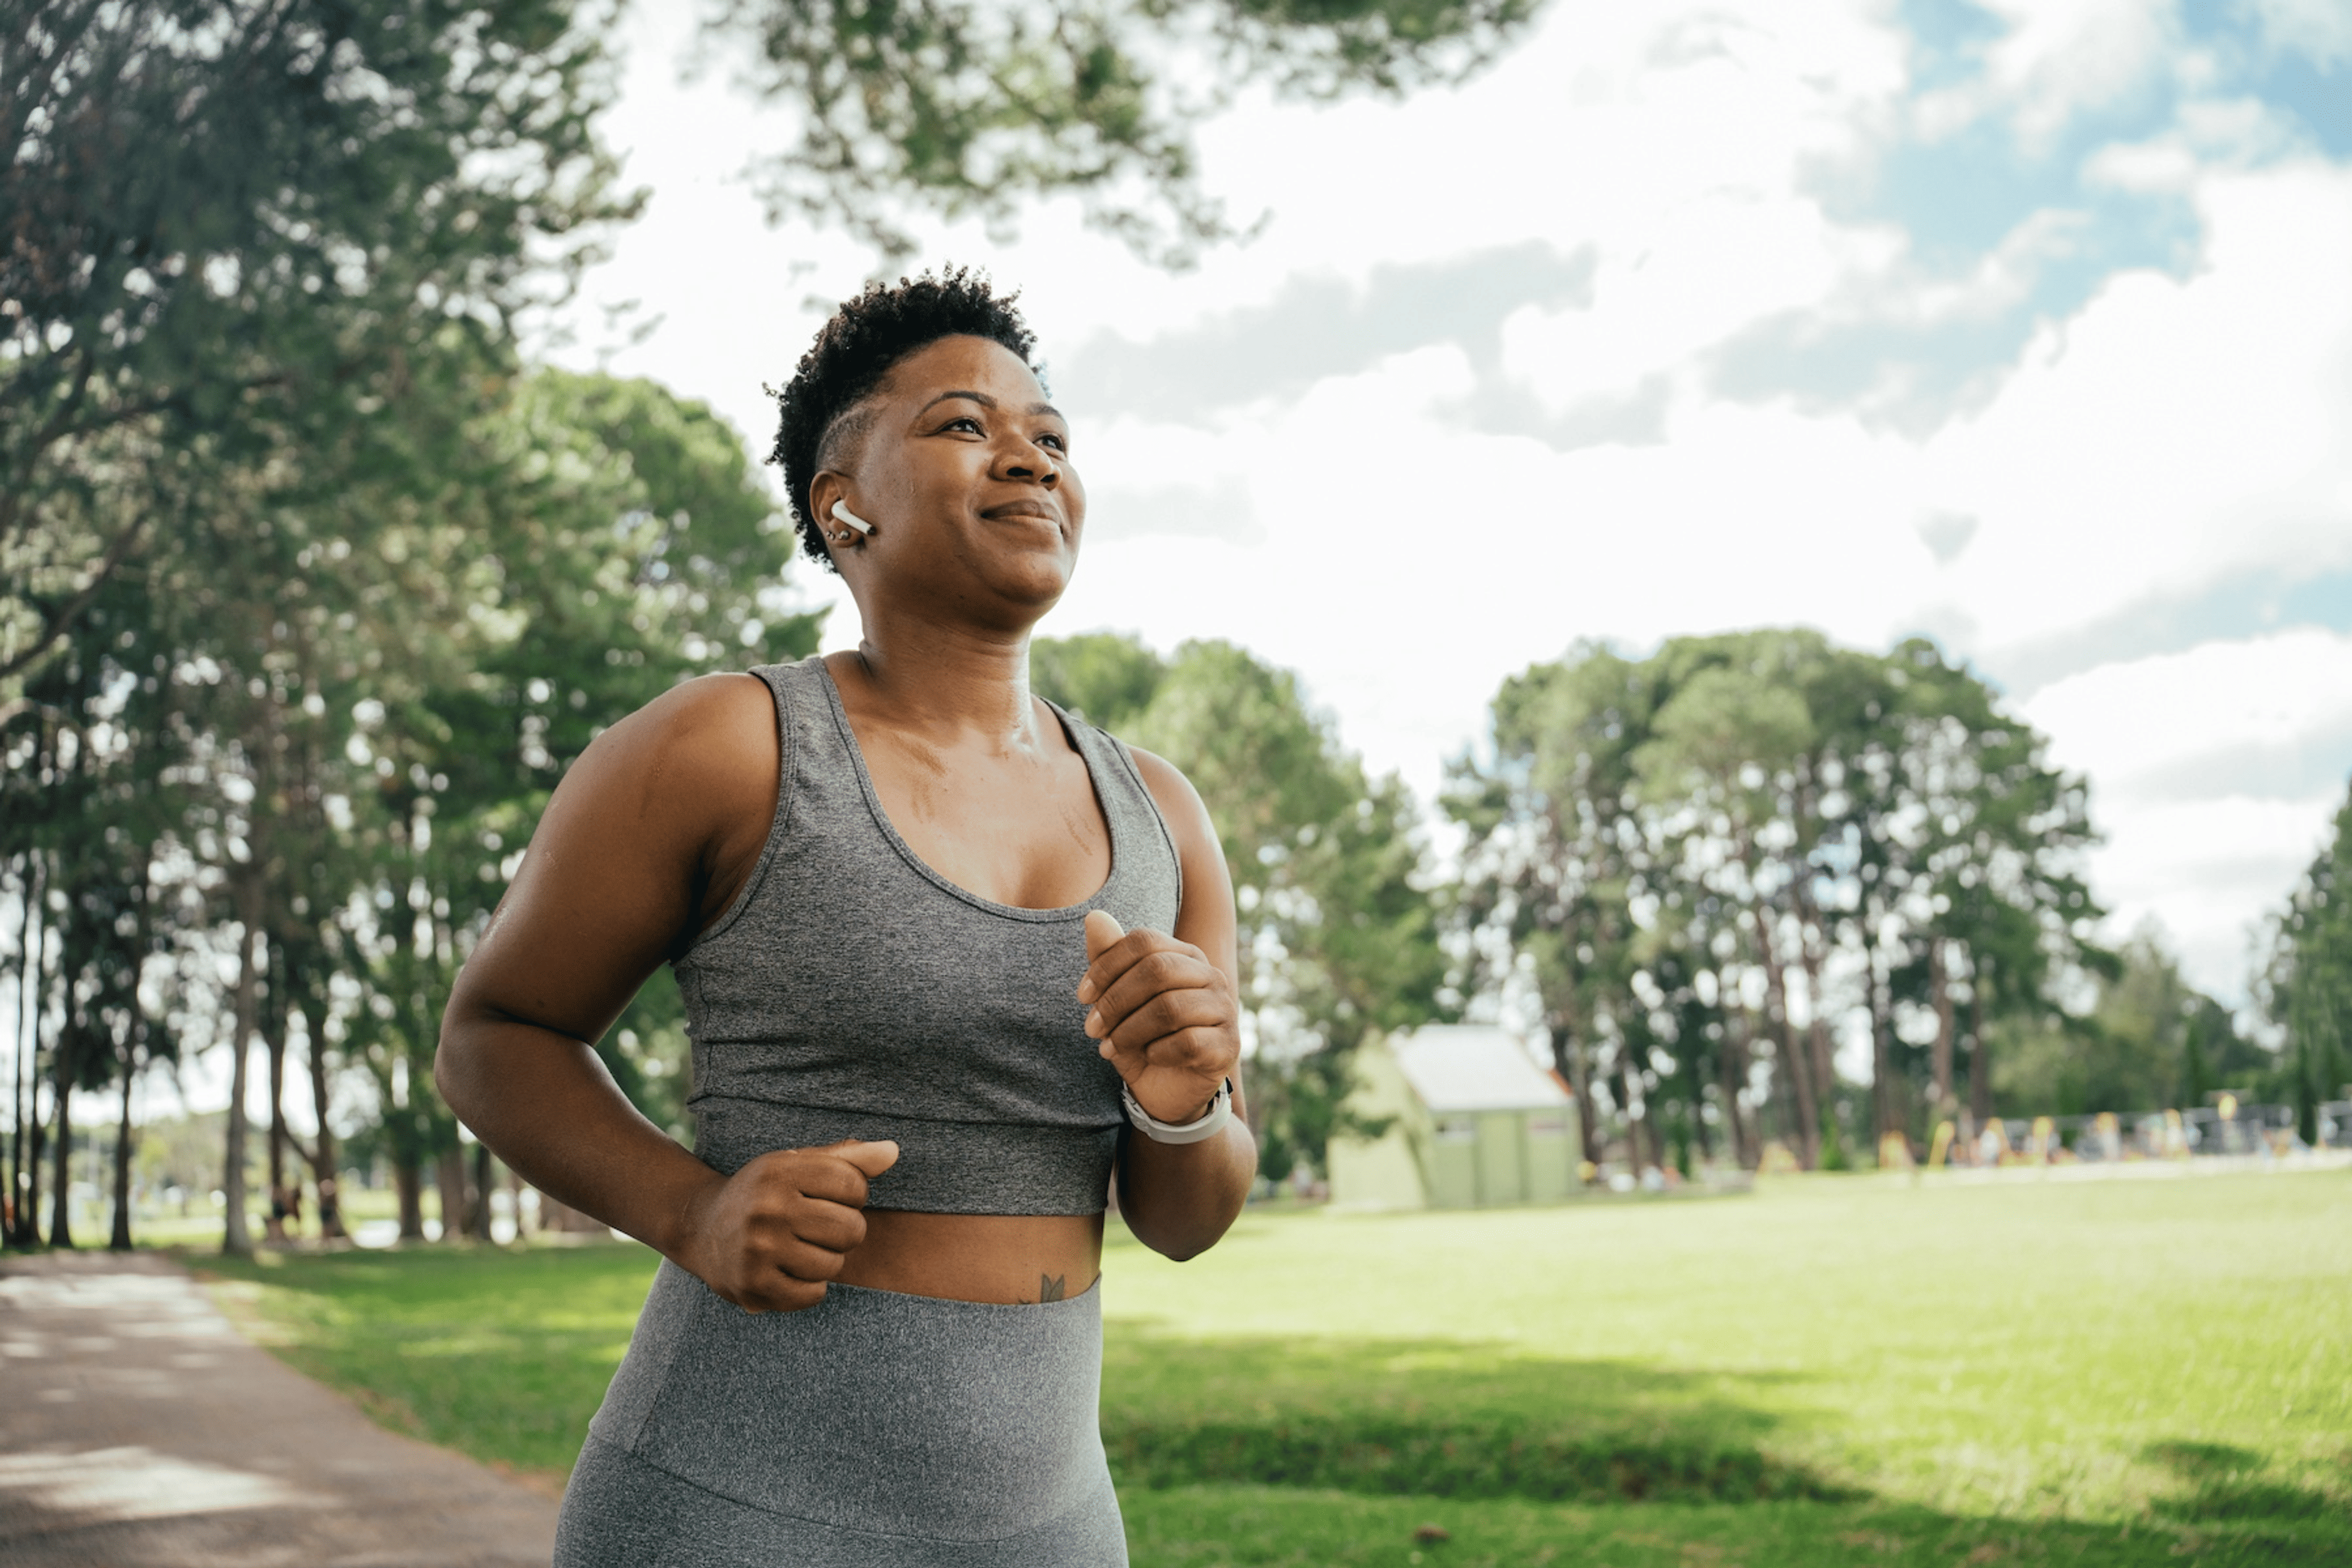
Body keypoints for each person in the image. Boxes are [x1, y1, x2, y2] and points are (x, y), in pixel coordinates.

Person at [435, 269, 1257, 1566]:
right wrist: (692, 1210)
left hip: (1052, 1528)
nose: (1030, 460)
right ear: (844, 502)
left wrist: (1182, 1098)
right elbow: (494, 1033)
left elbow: (1187, 1215)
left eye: (1051, 436)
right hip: (733, 1506)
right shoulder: (724, 747)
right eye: (963, 425)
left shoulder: (1163, 814)